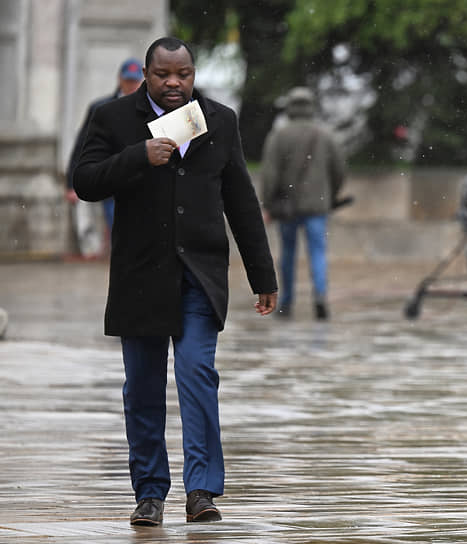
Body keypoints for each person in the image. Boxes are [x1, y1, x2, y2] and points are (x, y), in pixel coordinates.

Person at [73, 37, 278, 526]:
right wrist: (138, 156)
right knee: (142, 389)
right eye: (163, 75)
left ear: (192, 73)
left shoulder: (220, 120)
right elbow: (85, 181)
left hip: (199, 277)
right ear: (146, 74)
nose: (173, 83)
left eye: (182, 74)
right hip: (139, 276)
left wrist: (262, 274)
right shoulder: (113, 119)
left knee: (197, 378)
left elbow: (242, 202)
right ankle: (149, 493)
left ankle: (202, 491)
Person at [261, 87, 345, 320]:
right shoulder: (324, 135)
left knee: (287, 254)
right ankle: (319, 296)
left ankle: (287, 301)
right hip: (318, 206)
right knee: (318, 252)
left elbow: (270, 174)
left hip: (287, 207)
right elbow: (339, 170)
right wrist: (331, 196)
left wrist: (268, 204)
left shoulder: (279, 136)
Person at [65, 58, 144, 258]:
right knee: (116, 220)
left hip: (142, 179)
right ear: (119, 79)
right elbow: (83, 144)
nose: (131, 86)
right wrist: (71, 182)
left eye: (135, 82)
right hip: (111, 175)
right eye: (128, 81)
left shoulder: (151, 109)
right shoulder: (101, 109)